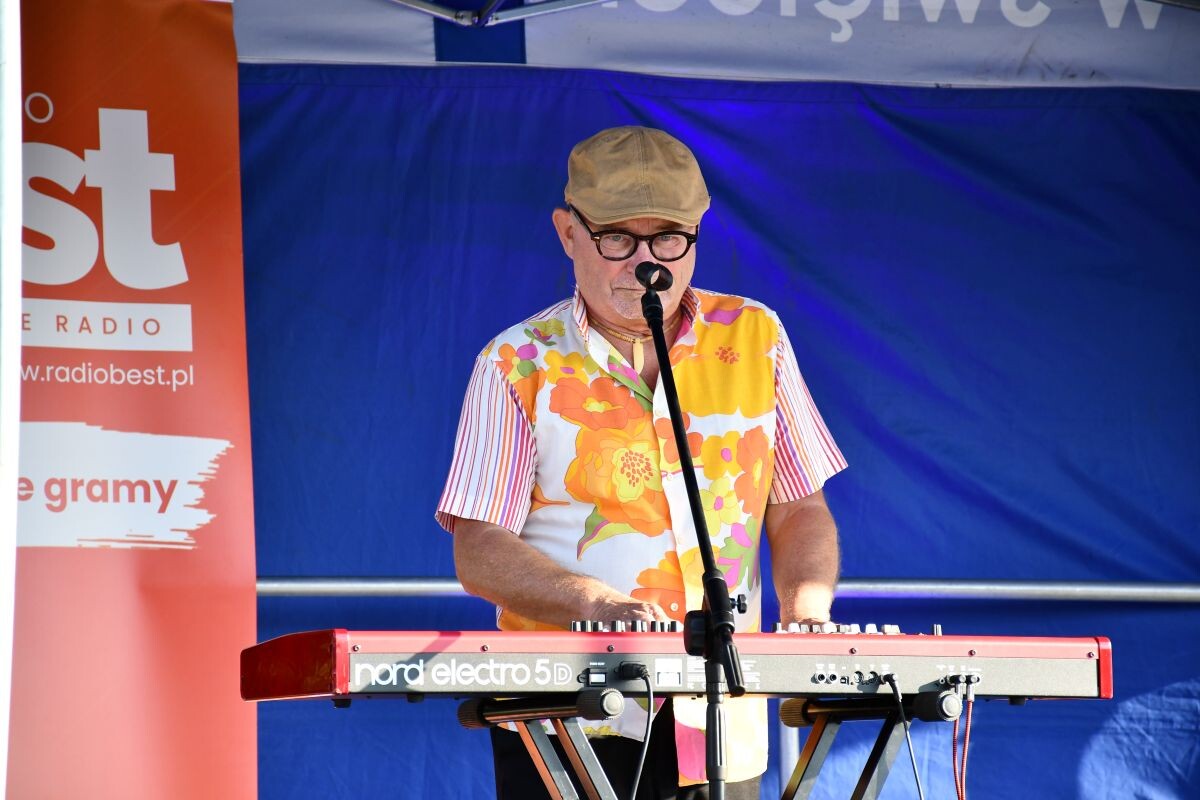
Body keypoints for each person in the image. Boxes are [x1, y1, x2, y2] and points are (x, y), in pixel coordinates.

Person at [436, 126, 846, 800]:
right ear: (568, 233)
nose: (647, 263)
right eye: (619, 239)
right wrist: (596, 605)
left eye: (669, 239)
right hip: (567, 719)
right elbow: (479, 548)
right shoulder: (515, 362)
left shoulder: (757, 338)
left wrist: (807, 613)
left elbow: (799, 506)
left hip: (722, 720)